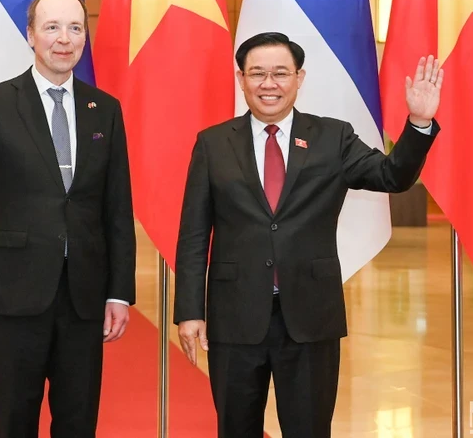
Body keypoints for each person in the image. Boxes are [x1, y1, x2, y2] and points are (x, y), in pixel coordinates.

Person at [173, 31, 443, 437]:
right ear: (240, 78)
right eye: (257, 73)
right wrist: (190, 310)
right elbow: (194, 234)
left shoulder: (332, 138)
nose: (269, 84)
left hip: (310, 316)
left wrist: (418, 123)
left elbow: (392, 176)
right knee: (235, 427)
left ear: (299, 78)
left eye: (280, 73)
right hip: (235, 317)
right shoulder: (212, 144)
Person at [0, 0, 136, 438]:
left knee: (78, 421)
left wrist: (119, 292)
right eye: (52, 27)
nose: (64, 38)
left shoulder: (106, 110)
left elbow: (117, 209)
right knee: (16, 420)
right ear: (31, 35)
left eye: (75, 28)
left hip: (84, 295)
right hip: (13, 293)